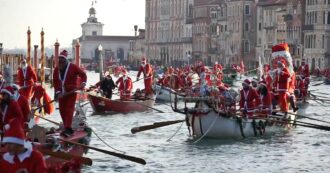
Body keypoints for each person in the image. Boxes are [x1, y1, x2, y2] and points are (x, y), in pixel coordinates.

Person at [53, 50, 87, 137]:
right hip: (61, 93)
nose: (59, 62)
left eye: (61, 60)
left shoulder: (73, 67)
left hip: (71, 92)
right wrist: (57, 92)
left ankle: (68, 128)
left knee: (69, 109)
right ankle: (66, 126)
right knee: (61, 110)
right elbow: (55, 82)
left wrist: (83, 83)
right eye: (59, 60)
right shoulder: (56, 69)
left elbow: (83, 75)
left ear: (65, 61)